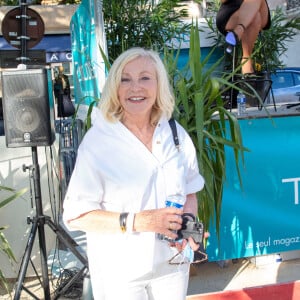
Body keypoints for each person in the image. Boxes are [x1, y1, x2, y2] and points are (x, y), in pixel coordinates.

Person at [62, 47, 205, 300]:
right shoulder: (99, 141)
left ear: (159, 84)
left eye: (145, 78)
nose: (135, 87)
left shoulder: (175, 134)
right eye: (125, 79)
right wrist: (140, 221)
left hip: (172, 267)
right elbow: (76, 216)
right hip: (120, 274)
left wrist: (187, 226)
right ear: (115, 88)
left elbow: (190, 193)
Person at [216, 0, 271, 75]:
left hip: (259, 8)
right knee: (255, 18)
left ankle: (238, 31)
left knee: (254, 14)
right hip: (231, 14)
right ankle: (246, 61)